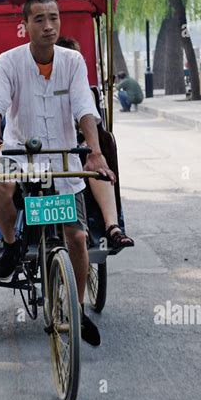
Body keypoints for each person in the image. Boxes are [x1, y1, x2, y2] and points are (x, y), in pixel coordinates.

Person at [0, 0, 117, 347]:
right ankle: (10, 245)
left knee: (79, 238)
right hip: (19, 153)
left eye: (53, 18)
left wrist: (95, 154)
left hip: (63, 157)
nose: (48, 25)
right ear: (25, 26)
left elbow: (85, 108)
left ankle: (77, 307)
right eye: (39, 19)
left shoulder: (73, 61)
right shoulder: (9, 63)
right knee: (3, 187)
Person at [56, 37, 134, 251]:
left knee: (97, 168)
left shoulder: (85, 91)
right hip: (49, 152)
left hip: (80, 147)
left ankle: (112, 227)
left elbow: (89, 125)